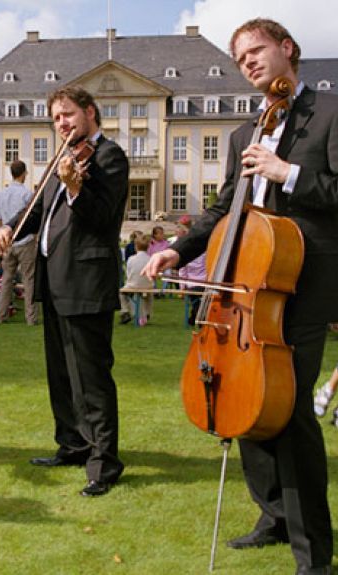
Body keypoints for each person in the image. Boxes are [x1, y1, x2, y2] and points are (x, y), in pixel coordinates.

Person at [143, 19, 338, 574]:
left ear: (287, 49)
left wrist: (288, 172)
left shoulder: (329, 113)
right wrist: (178, 250)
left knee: (291, 415)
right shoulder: (242, 134)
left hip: (306, 286)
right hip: (247, 290)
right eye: (240, 58)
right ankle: (273, 515)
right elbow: (224, 209)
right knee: (245, 405)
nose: (248, 62)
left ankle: (314, 555)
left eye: (256, 51)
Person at [0, 85, 128, 497]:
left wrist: (75, 188)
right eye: (56, 118)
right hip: (54, 283)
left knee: (91, 377)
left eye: (68, 114)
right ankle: (71, 444)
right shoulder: (60, 160)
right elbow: (36, 210)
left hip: (86, 282)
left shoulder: (109, 157)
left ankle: (103, 463)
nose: (62, 123)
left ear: (90, 112)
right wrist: (8, 227)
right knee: (61, 374)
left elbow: (103, 218)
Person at [0, 160, 38, 325]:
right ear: (24, 174)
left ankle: (1, 315)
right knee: (29, 279)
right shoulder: (27, 194)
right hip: (25, 241)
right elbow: (32, 218)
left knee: (6, 279)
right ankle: (31, 318)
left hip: (8, 242)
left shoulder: (1, 194)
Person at [174, 217, 207, 326]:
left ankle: (197, 318)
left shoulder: (186, 251)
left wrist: (182, 287)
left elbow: (182, 272)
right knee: (197, 300)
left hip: (196, 283)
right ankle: (196, 317)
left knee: (197, 300)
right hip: (203, 282)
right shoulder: (202, 249)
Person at [118, 234, 152, 325]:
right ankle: (147, 312)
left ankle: (125, 311)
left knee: (121, 293)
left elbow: (129, 275)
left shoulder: (131, 259)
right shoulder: (151, 259)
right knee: (149, 295)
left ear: (136, 247)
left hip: (133, 285)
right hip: (148, 285)